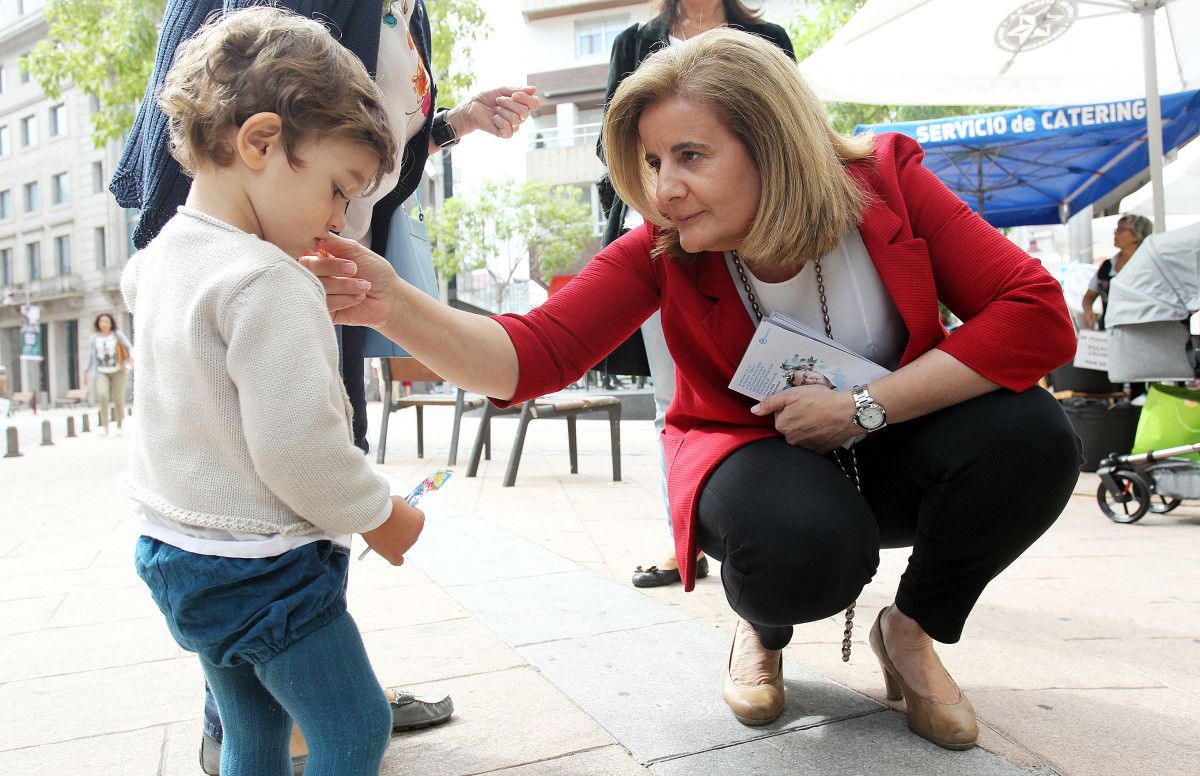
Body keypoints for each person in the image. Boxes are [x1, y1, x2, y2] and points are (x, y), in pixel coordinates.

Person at [306, 29, 1082, 750]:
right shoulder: (661, 245)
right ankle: (763, 629)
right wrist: (395, 304)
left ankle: (911, 631)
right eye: (652, 163)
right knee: (800, 554)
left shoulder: (889, 183)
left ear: (774, 146)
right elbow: (531, 355)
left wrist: (860, 409)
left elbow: (1037, 317)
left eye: (689, 156)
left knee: (1034, 437)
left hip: (887, 437)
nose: (664, 189)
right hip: (753, 452)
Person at [112, 2, 537, 769]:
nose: (342, 220)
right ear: (262, 142)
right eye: (340, 189)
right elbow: (296, 451)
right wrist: (382, 516)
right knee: (352, 728)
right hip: (262, 569)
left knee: (253, 730)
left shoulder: (162, 257)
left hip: (175, 551)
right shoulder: (267, 281)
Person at [600, 0, 795, 589]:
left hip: (764, 241)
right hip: (669, 243)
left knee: (782, 383)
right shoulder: (636, 41)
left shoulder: (767, 37)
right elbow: (613, 149)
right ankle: (683, 536)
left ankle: (794, 530)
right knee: (672, 399)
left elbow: (794, 136)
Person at [1082, 213, 1154, 330]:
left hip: (1141, 332)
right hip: (1108, 330)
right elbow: (1089, 296)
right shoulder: (1107, 265)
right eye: (1117, 229)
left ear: (1136, 235)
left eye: (1121, 229)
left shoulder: (1147, 266)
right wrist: (1088, 311)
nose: (1115, 233)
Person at [83, 313, 134, 435]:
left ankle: (119, 426)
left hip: (118, 370)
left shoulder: (117, 335)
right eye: (101, 321)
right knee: (103, 395)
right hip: (101, 371)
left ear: (111, 323)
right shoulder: (94, 338)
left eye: (106, 321)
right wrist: (85, 371)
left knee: (118, 398)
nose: (103, 324)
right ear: (98, 324)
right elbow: (90, 356)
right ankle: (105, 426)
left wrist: (132, 360)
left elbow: (129, 347)